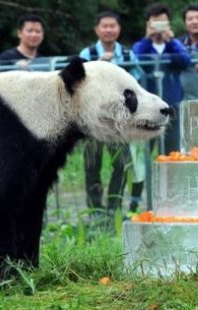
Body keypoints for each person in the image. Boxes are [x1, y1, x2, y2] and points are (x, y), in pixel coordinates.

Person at [130, 3, 191, 211]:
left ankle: (173, 198)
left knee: (173, 153)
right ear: (148, 23)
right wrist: (148, 39)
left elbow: (186, 61)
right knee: (142, 156)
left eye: (162, 21)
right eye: (154, 21)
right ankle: (136, 200)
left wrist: (170, 40)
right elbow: (135, 60)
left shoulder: (174, 44)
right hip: (145, 108)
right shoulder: (141, 45)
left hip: (171, 105)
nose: (158, 25)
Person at [79, 11, 137, 218]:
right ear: (97, 29)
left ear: (119, 29)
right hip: (92, 118)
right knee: (92, 165)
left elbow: (138, 82)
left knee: (121, 164)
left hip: (120, 120)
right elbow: (78, 82)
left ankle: (114, 208)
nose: (109, 30)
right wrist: (99, 66)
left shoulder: (129, 55)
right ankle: (95, 210)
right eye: (105, 26)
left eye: (113, 26)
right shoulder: (88, 53)